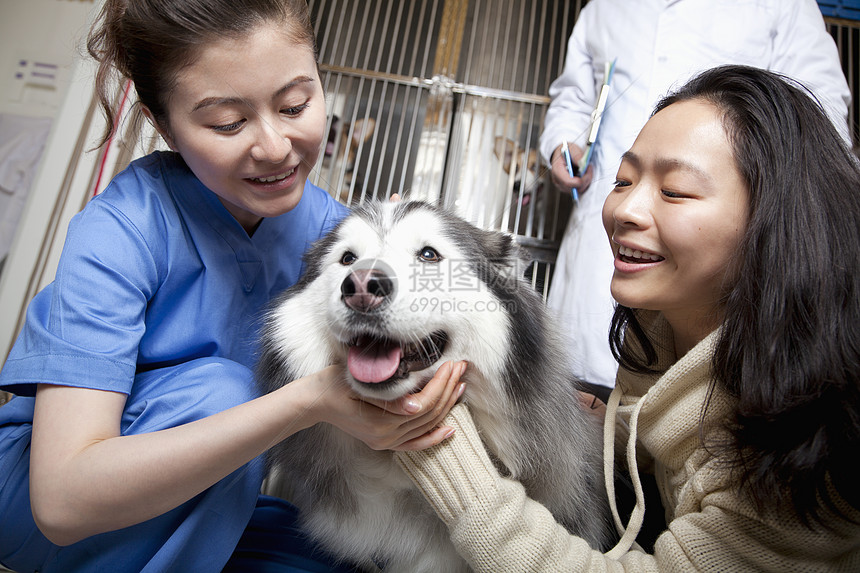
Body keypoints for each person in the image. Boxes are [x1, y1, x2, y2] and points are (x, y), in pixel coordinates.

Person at [0, 1, 464, 571]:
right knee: (224, 390)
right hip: (57, 503)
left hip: (216, 493)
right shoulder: (122, 229)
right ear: (162, 123)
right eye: (227, 122)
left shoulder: (331, 231)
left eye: (296, 104)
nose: (274, 147)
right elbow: (62, 500)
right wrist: (310, 401)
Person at [396, 65, 860, 571]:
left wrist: (441, 448)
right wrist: (617, 434)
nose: (625, 210)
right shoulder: (661, 334)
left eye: (676, 190)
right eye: (623, 180)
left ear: (777, 224)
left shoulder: (812, 436)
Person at [540, 0, 852, 391]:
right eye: (625, 180)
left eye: (675, 188)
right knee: (583, 394)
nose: (633, 209)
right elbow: (573, 99)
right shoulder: (605, 7)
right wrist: (564, 145)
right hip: (596, 246)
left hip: (723, 264)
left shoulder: (782, 5)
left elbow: (819, 114)